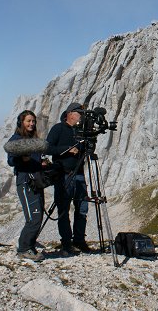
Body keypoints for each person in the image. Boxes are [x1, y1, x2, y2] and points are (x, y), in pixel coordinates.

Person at [46, 102, 91, 256]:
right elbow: (48, 147)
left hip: (79, 173)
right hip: (63, 174)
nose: (82, 116)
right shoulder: (58, 129)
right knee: (64, 209)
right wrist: (66, 150)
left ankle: (79, 240)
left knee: (82, 208)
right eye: (79, 113)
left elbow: (87, 150)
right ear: (70, 113)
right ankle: (66, 243)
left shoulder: (81, 131)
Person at [6, 110, 48, 262]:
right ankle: (23, 249)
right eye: (28, 121)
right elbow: (10, 161)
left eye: (33, 121)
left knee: (38, 216)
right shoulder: (16, 139)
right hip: (25, 181)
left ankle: (29, 247)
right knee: (33, 217)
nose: (31, 124)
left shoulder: (34, 139)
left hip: (36, 181)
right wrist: (21, 159)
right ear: (21, 122)